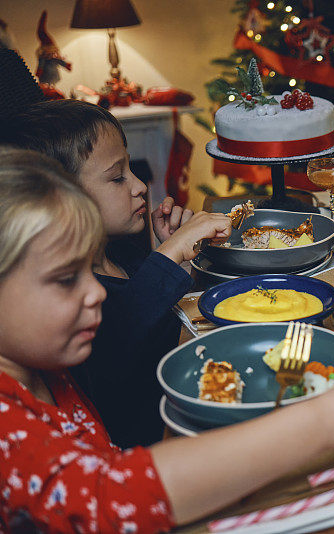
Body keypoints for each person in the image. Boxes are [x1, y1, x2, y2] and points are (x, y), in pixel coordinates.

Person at [0, 147, 334, 531]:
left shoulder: (44, 369)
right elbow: (109, 496)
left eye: (89, 271)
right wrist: (323, 422)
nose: (97, 293)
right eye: (66, 278)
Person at [0, 99, 232, 448]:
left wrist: (177, 261)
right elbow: (117, 343)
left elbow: (157, 318)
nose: (139, 186)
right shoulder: (62, 314)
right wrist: (167, 257)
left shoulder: (120, 253)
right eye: (117, 177)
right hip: (157, 442)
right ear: (61, 196)